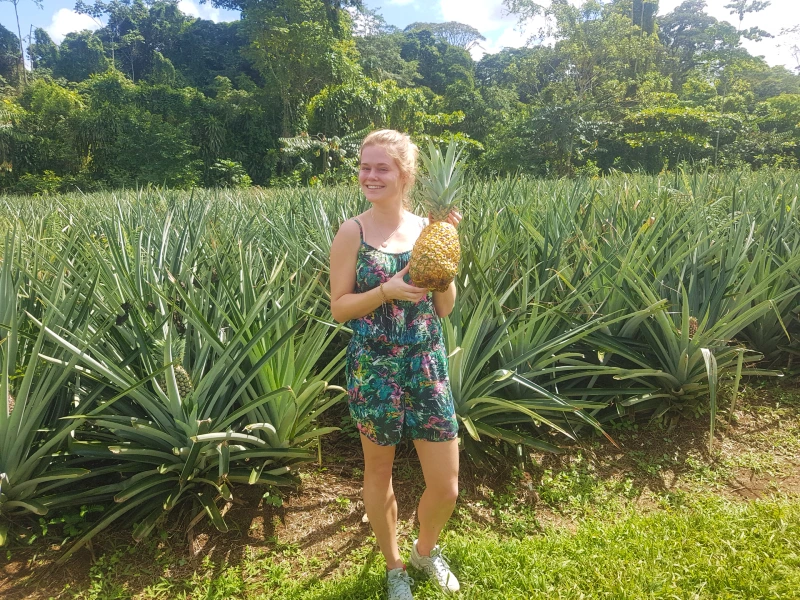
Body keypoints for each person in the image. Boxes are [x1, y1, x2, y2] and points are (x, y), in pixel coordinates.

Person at [329, 129, 463, 599]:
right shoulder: (354, 232)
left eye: (381, 167)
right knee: (378, 472)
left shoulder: (427, 230)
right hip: (375, 367)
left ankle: (427, 551)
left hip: (426, 363)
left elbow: (444, 308)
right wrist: (385, 290)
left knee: (446, 486)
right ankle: (395, 567)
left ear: (405, 174)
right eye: (365, 167)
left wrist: (444, 245)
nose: (370, 175)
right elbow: (339, 308)